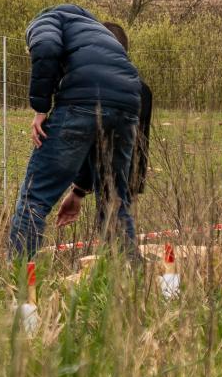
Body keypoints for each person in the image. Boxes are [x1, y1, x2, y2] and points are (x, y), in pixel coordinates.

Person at [7, 4, 143, 260]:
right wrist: (79, 190)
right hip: (128, 104)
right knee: (114, 199)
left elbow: (45, 48)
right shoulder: (94, 31)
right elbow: (87, 138)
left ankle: (19, 281)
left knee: (34, 198)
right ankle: (130, 282)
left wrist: (40, 108)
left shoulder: (47, 19)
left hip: (81, 102)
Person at [54, 21, 154, 228]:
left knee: (114, 229)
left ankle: (123, 259)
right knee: (115, 229)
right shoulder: (140, 87)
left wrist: (78, 189)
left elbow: (98, 142)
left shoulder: (104, 91)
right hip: (125, 178)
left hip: (116, 177)